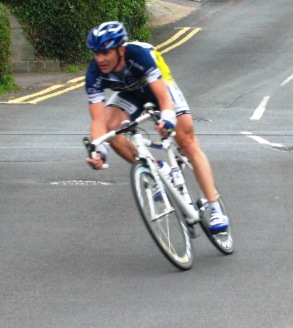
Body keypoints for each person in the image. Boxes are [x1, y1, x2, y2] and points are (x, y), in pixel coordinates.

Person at [83, 21, 229, 233]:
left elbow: (164, 98)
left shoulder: (139, 55)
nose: (100, 59)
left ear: (120, 50)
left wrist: (168, 119)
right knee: (111, 129)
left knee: (186, 139)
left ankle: (214, 206)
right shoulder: (94, 73)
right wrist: (99, 151)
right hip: (130, 92)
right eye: (96, 53)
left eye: (105, 52)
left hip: (157, 85)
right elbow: (97, 122)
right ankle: (158, 167)